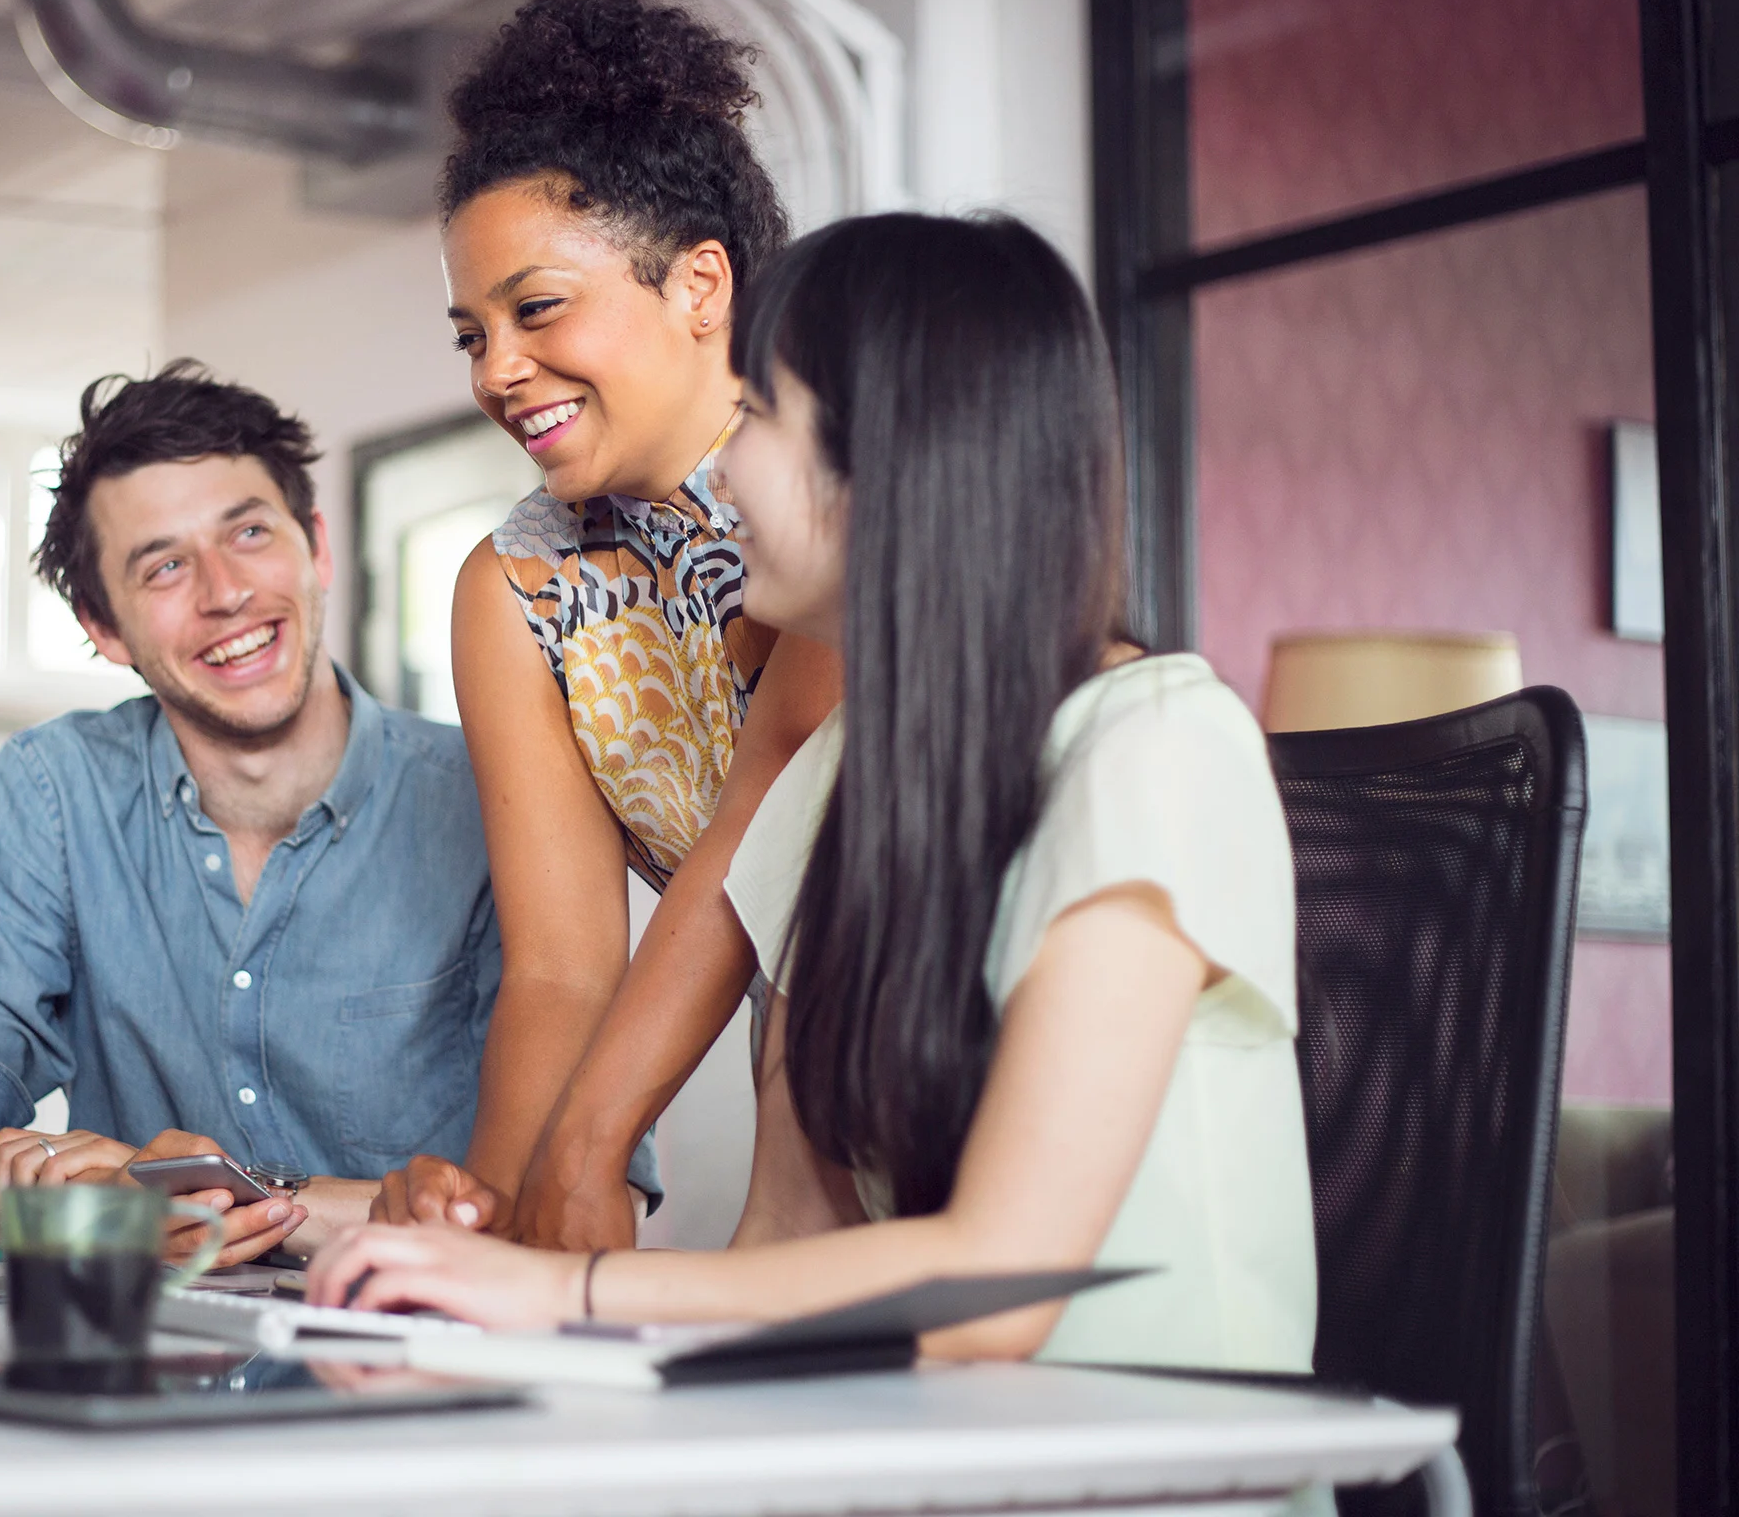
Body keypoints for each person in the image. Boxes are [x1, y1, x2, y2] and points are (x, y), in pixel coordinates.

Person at [310, 213, 1318, 1375]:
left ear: (895, 452)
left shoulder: (1158, 746)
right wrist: (505, 1313)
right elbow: (786, 1233)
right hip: (922, 1460)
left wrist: (560, 1294)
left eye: (758, 419)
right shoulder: (840, 768)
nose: (723, 471)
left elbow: (997, 1287)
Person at [372, 0, 844, 1249]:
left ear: (701, 285)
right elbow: (564, 972)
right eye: (471, 334)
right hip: (818, 1111)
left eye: (535, 310)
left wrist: (583, 1161)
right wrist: (493, 1235)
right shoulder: (520, 587)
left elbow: (770, 843)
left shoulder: (849, 493)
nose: (496, 371)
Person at [0, 361, 501, 1264]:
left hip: (435, 1357)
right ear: (104, 625)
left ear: (315, 546)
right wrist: (91, 1214)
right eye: (164, 567)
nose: (225, 590)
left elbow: (573, 1192)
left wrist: (248, 1202)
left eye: (249, 532)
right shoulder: (52, 795)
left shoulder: (485, 800)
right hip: (155, 1360)